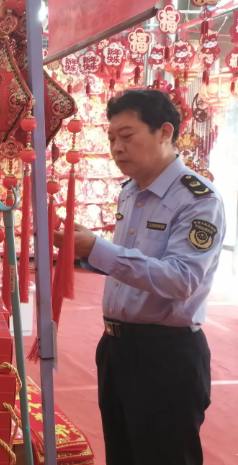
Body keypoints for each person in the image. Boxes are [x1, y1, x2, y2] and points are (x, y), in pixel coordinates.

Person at [55, 90, 224, 465]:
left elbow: (181, 280)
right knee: (123, 454)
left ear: (164, 132)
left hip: (165, 354)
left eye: (127, 136)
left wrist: (97, 249)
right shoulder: (130, 192)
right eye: (112, 138)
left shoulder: (198, 200)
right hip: (116, 347)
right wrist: (86, 251)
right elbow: (130, 266)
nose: (117, 148)